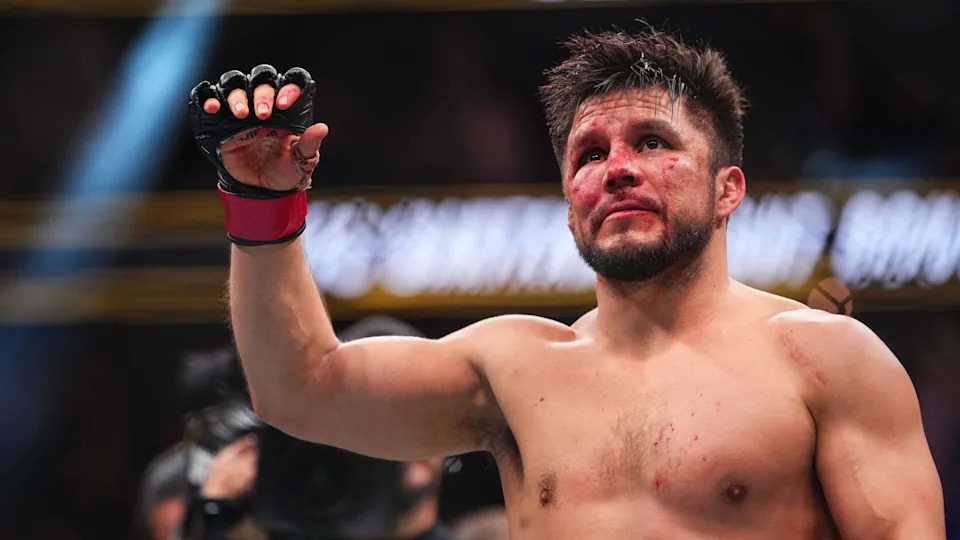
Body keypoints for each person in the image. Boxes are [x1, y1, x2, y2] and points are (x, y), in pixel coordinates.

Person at [188, 25, 945, 538]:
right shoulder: (512, 369)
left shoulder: (827, 359)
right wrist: (263, 204)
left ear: (728, 189)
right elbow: (299, 388)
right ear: (569, 203)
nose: (616, 167)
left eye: (652, 142)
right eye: (588, 155)